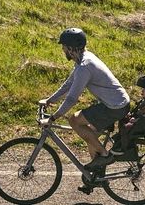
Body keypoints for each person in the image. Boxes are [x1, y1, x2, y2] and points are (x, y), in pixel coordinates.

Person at [41, 28, 130, 176]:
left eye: (63, 47)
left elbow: (72, 98)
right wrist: (50, 100)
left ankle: (105, 156)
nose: (62, 50)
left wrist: (52, 118)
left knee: (75, 120)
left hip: (115, 106)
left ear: (71, 48)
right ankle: (95, 177)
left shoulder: (84, 67)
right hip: (115, 103)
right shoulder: (84, 58)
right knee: (90, 136)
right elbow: (68, 84)